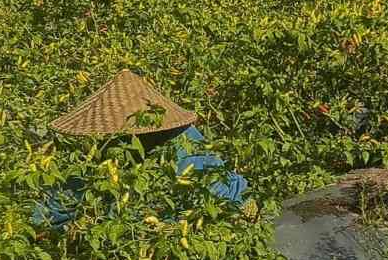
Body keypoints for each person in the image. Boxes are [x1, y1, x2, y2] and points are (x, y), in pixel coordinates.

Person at [34, 69, 248, 228]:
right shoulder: (110, 150)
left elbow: (219, 194)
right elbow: (58, 205)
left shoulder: (183, 144)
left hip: (200, 225)